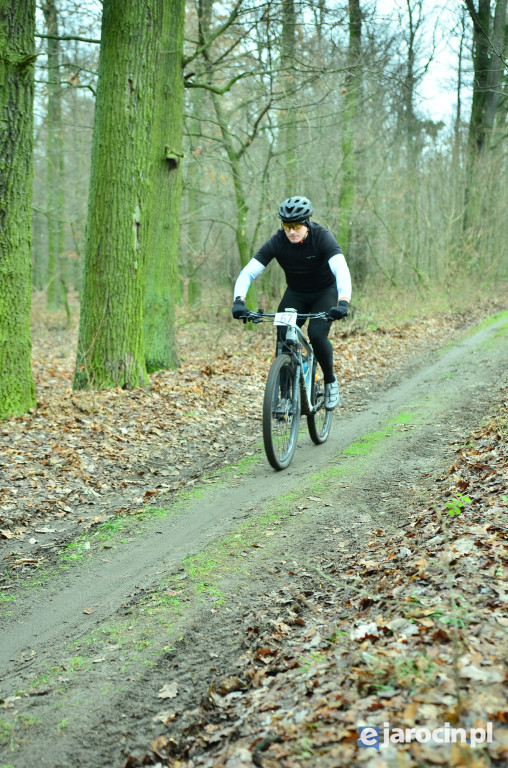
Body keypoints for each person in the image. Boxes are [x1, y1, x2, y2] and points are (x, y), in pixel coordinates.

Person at [231, 195, 352, 410]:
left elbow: (341, 270)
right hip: (296, 293)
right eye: (286, 226)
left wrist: (343, 302)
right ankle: (285, 396)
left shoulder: (322, 237)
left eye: (296, 226)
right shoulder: (278, 241)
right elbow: (248, 272)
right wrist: (239, 301)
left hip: (325, 291)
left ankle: (330, 380)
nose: (291, 231)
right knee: (283, 335)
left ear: (306, 224)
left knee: (316, 334)